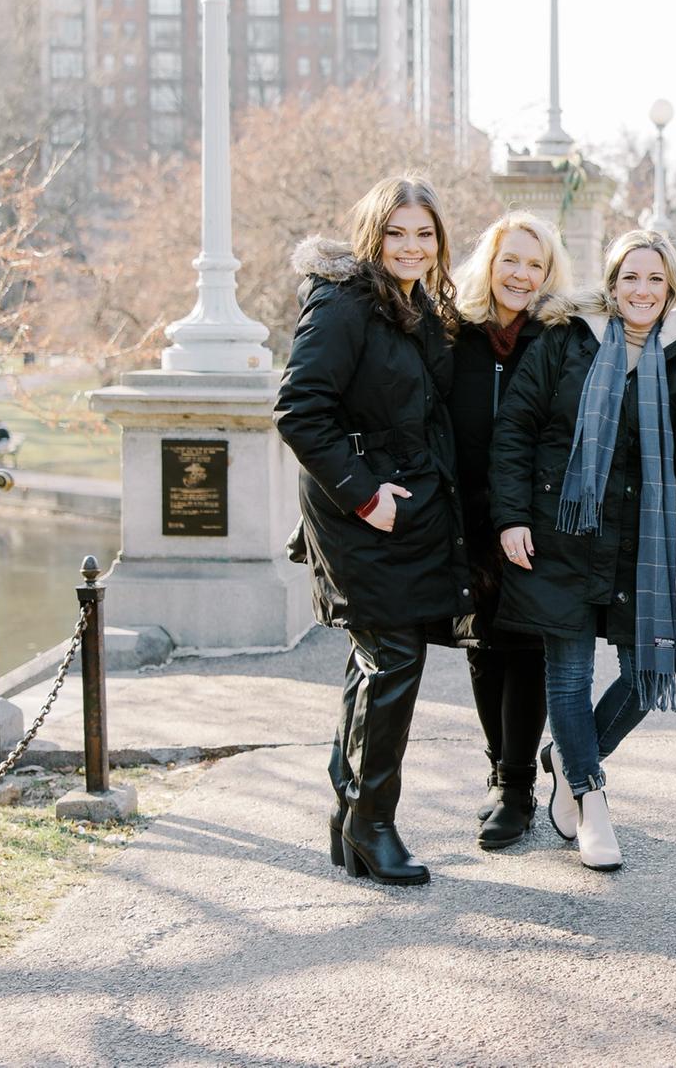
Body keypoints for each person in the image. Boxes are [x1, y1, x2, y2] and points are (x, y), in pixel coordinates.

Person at [492, 229, 676, 871]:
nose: (641, 291)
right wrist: (511, 517)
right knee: (567, 676)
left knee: (646, 679)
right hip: (558, 530)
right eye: (629, 278)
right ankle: (592, 802)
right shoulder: (567, 339)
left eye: (654, 279)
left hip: (634, 541)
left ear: (669, 287)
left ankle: (567, 758)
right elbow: (516, 427)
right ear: (612, 283)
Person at [276, 175, 471, 887]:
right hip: (358, 509)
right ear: (372, 236)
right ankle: (373, 822)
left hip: (407, 505)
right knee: (392, 658)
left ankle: (352, 819)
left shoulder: (417, 305)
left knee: (381, 658)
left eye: (425, 234)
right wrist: (363, 497)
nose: (412, 246)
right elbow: (300, 410)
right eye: (397, 233)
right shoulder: (343, 302)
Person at [448, 211, 571, 851]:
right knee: (481, 646)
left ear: (549, 274)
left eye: (535, 264)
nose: (521, 275)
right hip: (466, 515)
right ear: (489, 264)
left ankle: (519, 788)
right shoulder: (454, 334)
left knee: (525, 648)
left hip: (532, 515)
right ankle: (499, 773)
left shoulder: (558, 337)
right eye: (511, 261)